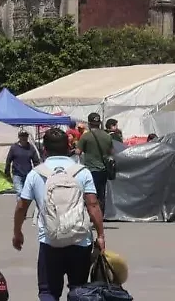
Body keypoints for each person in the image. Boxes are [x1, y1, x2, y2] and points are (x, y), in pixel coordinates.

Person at [12, 128, 106, 301]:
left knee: (48, 291)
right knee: (79, 290)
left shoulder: (36, 174)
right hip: (80, 240)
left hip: (50, 240)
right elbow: (93, 204)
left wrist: (17, 232)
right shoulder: (82, 171)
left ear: (44, 150)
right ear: (68, 147)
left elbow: (21, 206)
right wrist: (100, 235)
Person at [76, 113, 114, 216]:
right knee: (101, 194)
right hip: (104, 170)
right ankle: (100, 215)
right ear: (99, 123)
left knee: (90, 194)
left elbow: (78, 152)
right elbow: (111, 153)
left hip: (90, 170)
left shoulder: (86, 136)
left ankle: (92, 216)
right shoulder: (107, 136)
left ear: (89, 124)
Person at [5, 129, 41, 198]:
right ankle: (20, 207)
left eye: (25, 136)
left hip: (28, 174)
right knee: (19, 192)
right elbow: (8, 160)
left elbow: (36, 161)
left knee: (26, 193)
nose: (24, 138)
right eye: (22, 136)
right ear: (19, 137)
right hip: (17, 174)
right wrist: (7, 172)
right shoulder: (14, 147)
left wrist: (38, 173)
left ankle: (23, 207)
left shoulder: (31, 148)